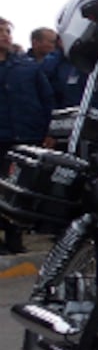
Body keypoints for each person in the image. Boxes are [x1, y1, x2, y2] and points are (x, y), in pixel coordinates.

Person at [0, 16, 55, 253]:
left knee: (19, 192)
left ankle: (15, 238)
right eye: (0, 31)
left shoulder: (27, 67)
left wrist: (49, 132)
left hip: (25, 138)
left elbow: (47, 100)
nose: (5, 35)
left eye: (7, 31)